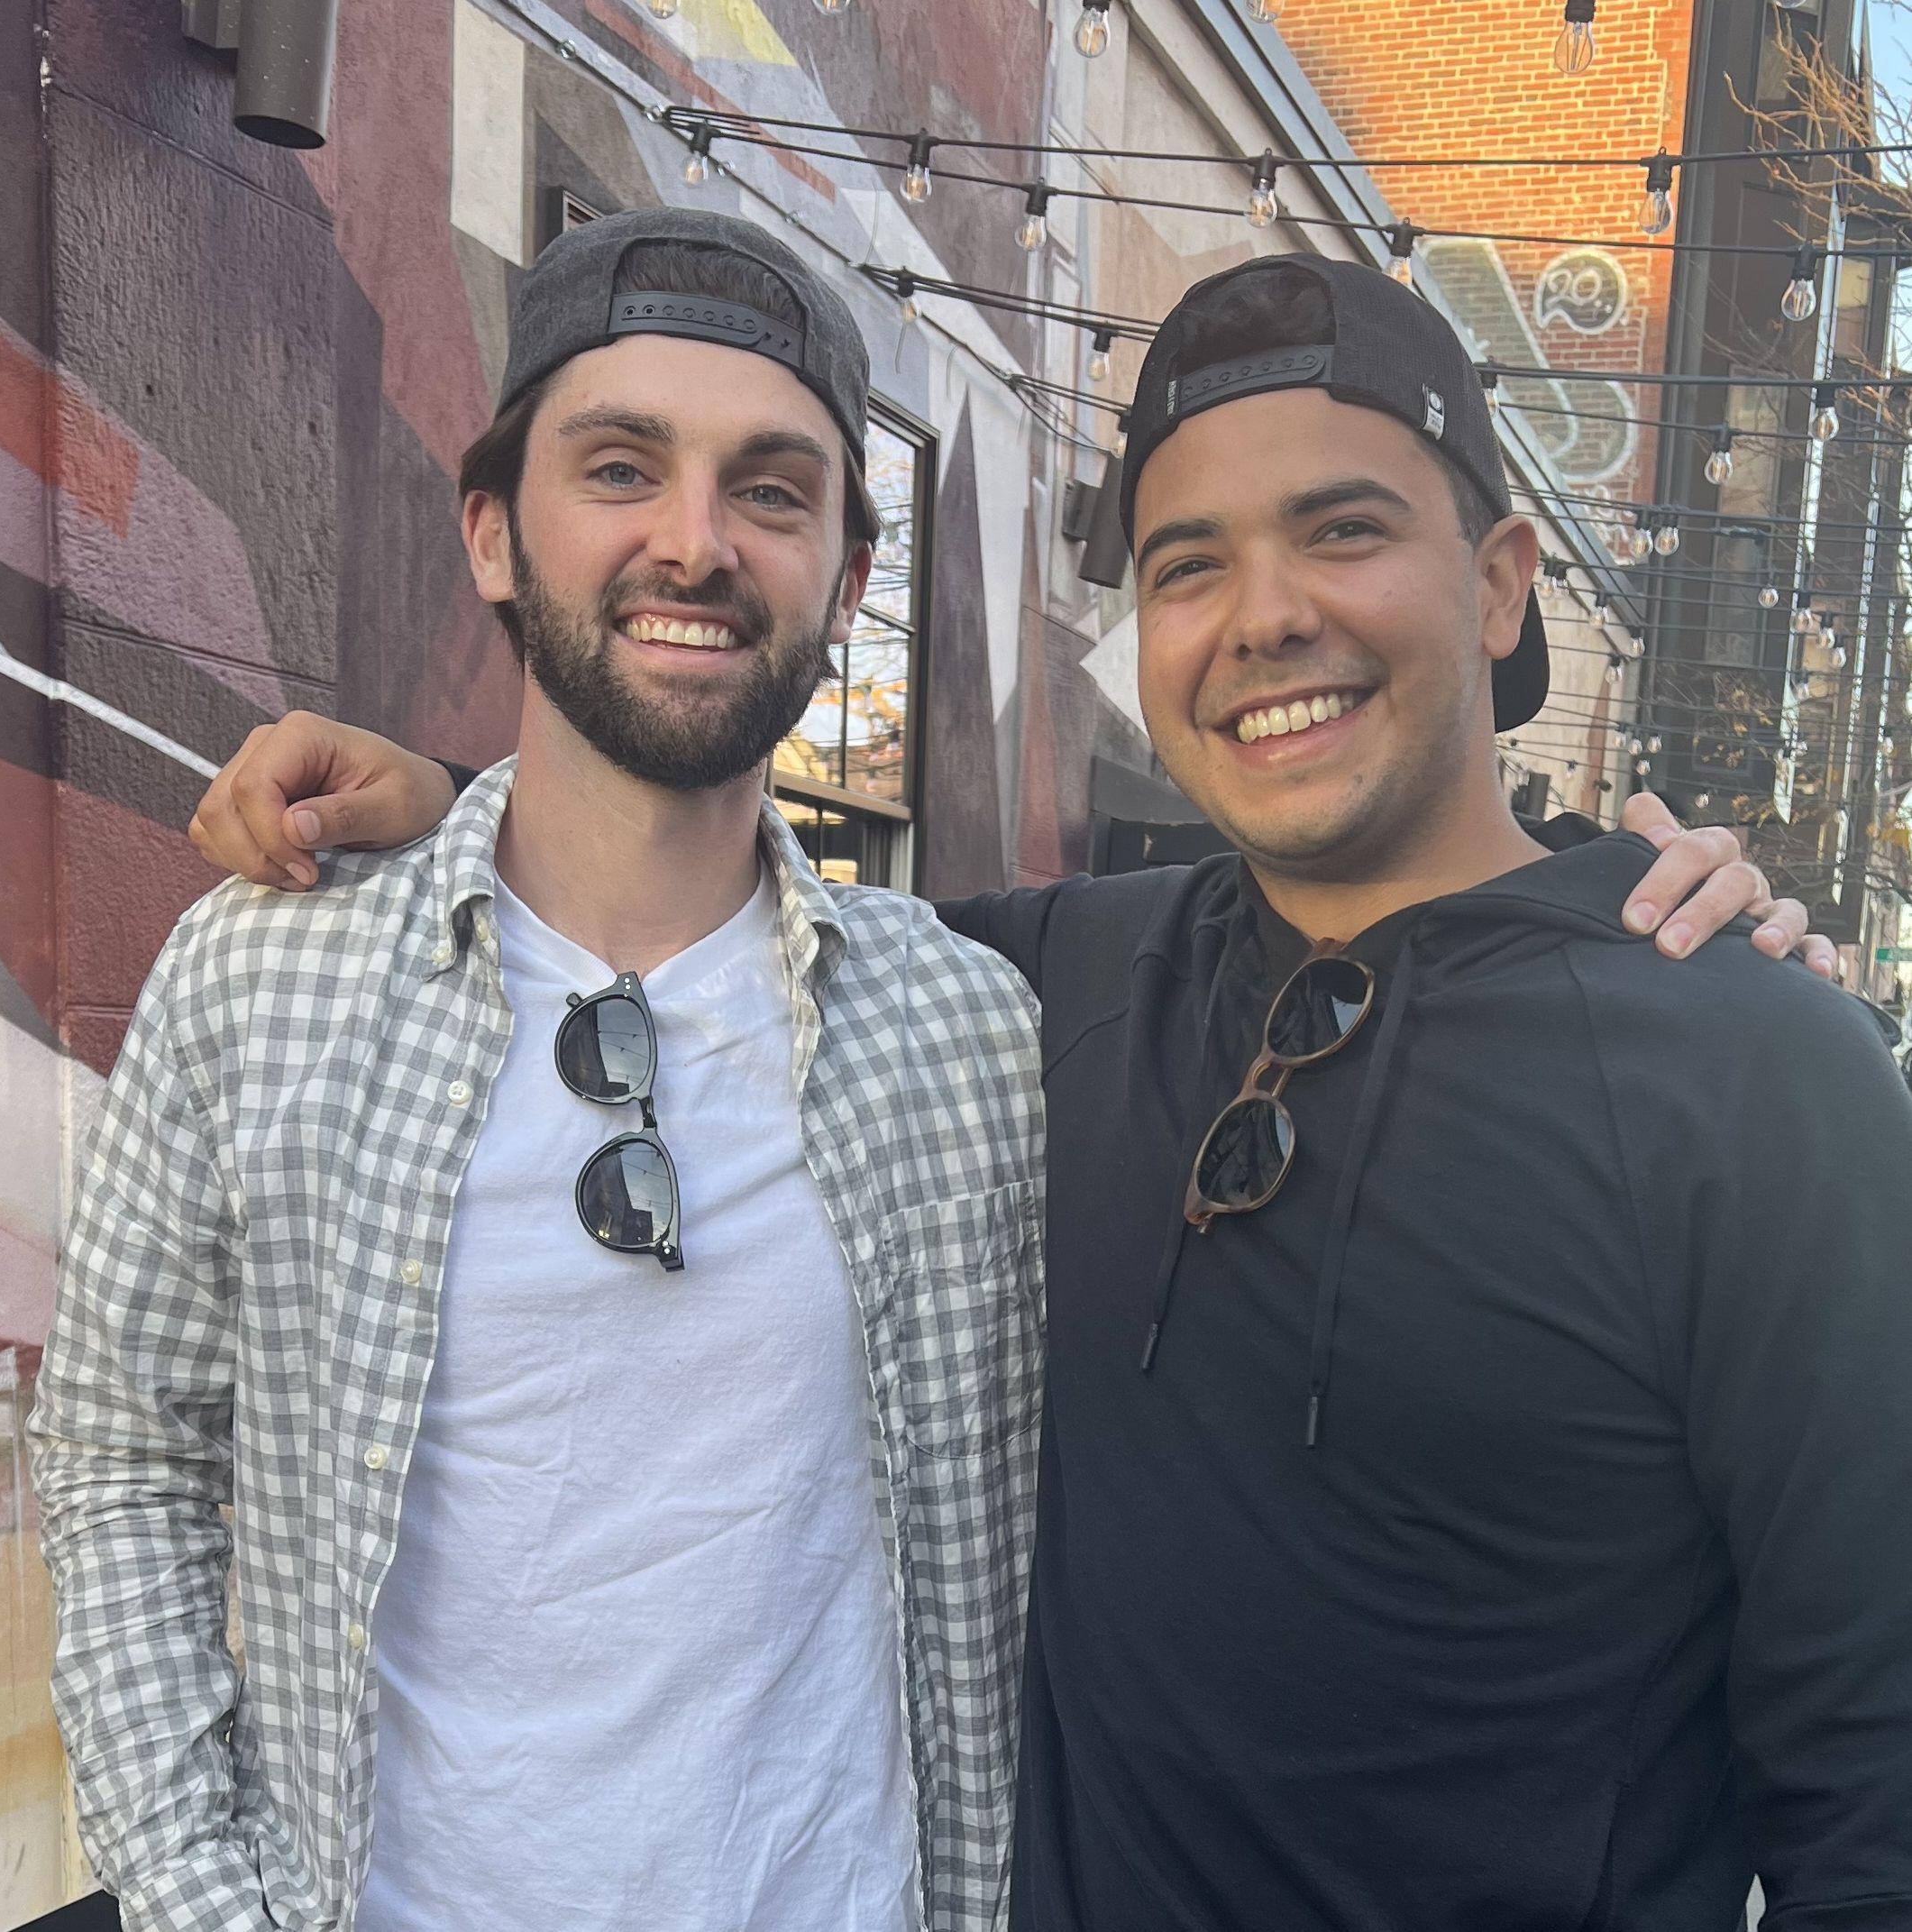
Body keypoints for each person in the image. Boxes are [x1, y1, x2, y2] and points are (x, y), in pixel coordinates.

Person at [179, 261, 1879, 1931]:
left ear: (1500, 588)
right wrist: (452, 804)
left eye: (1344, 531)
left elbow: (1872, 1818)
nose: (1265, 616)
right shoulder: (1042, 986)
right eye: (1188, 564)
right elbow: (687, 879)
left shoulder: (1758, 1079)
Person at [30, 210, 1047, 1932]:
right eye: (621, 469)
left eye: (771, 490)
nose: (694, 543)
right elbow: (126, 1457)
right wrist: (200, 1903)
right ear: (494, 533)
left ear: (848, 578)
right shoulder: (265, 979)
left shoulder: (973, 1037)